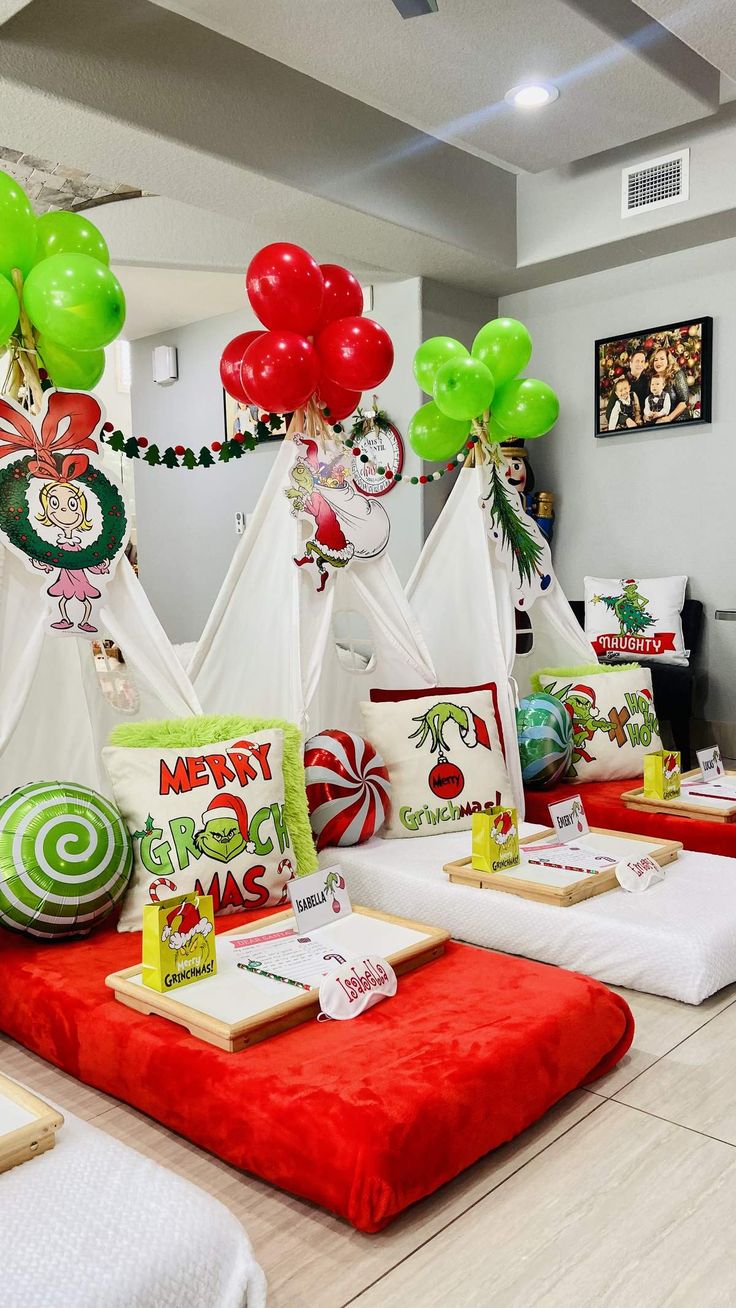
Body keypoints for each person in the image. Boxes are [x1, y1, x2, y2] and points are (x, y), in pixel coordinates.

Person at [33, 478, 108, 632]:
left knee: (85, 601)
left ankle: (85, 622)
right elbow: (52, 559)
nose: (64, 510)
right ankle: (65, 619)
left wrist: (100, 568)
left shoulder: (79, 545)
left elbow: (88, 560)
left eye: (72, 505)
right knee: (62, 600)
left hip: (79, 577)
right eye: (55, 503)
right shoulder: (58, 546)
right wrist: (42, 563)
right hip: (65, 577)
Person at [646, 346, 689, 424]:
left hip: (678, 421)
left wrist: (669, 418)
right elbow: (648, 402)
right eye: (656, 360)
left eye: (662, 359)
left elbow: (684, 402)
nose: (658, 362)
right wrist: (646, 415)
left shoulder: (677, 374)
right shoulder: (652, 378)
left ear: (668, 361)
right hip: (657, 422)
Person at [627, 348, 649, 412]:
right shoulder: (622, 381)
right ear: (631, 364)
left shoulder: (646, 380)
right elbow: (609, 411)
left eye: (642, 362)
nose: (639, 364)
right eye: (637, 361)